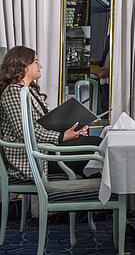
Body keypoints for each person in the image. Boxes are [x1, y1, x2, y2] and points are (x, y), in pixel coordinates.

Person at [0, 46, 95, 180]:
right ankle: (106, 195)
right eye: (36, 62)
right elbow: (24, 130)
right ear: (23, 66)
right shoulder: (14, 92)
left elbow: (48, 120)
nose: (41, 66)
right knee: (96, 145)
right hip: (34, 158)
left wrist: (71, 129)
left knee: (93, 147)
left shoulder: (29, 90)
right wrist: (61, 137)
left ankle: (90, 192)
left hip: (45, 148)